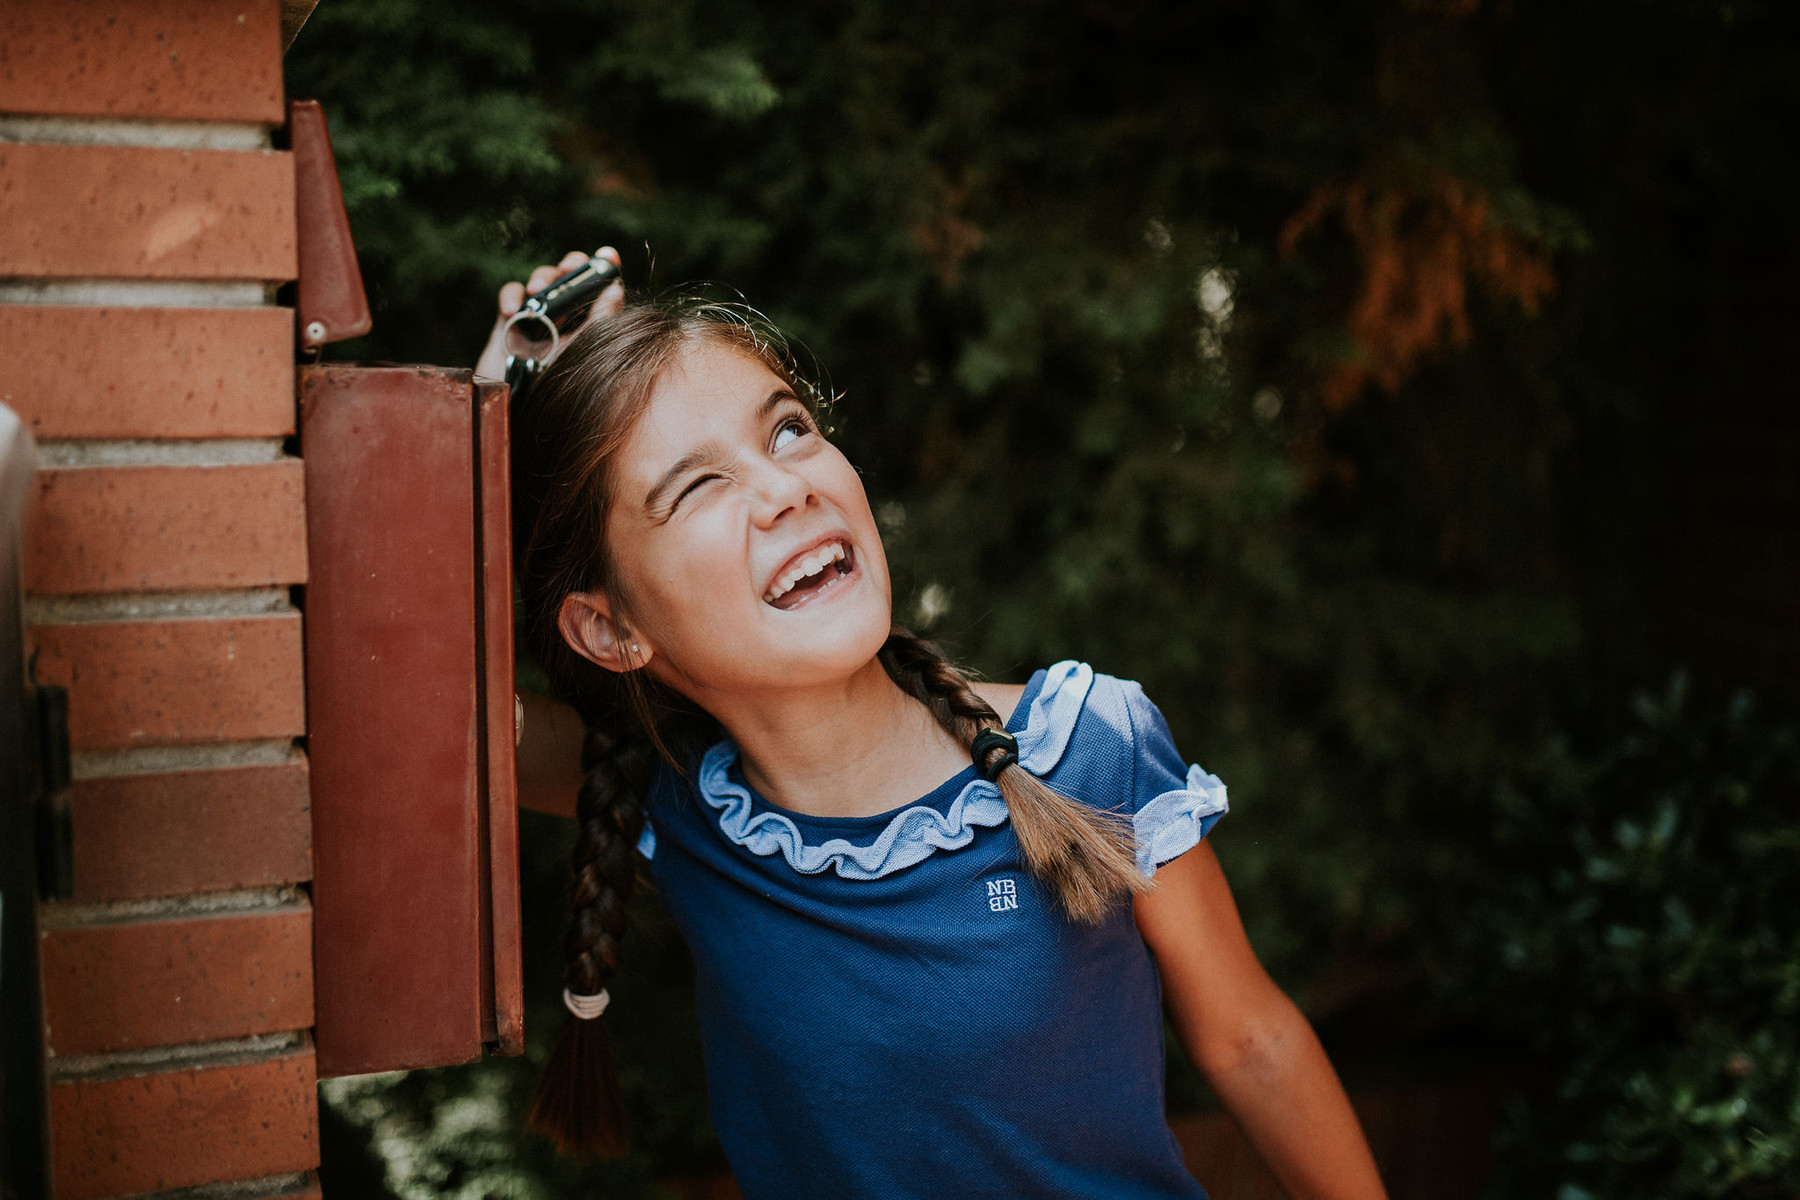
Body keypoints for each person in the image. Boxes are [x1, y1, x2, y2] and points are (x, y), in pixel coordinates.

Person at [476, 249, 1389, 1200]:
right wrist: (491, 407)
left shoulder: (1087, 747)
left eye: (787, 430)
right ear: (610, 628)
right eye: (699, 487)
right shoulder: (683, 804)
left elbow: (1252, 1042)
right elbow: (429, 709)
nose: (786, 486)